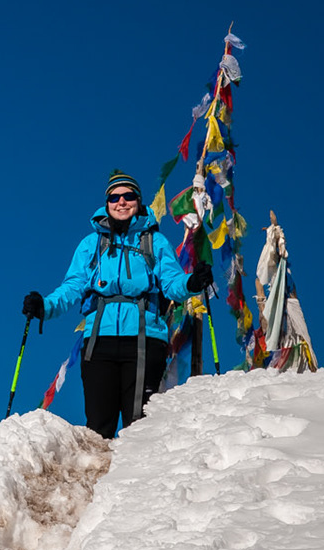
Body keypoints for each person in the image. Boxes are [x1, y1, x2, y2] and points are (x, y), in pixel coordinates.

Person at [22, 169, 212, 438]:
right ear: (107, 203)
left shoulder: (155, 242)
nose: (121, 202)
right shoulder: (92, 244)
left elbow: (172, 283)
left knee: (140, 425)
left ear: (138, 201)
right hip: (99, 341)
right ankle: (101, 466)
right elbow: (73, 287)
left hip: (145, 340)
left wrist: (192, 283)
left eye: (128, 196)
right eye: (114, 197)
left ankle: (138, 466)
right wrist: (45, 305)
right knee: (99, 426)